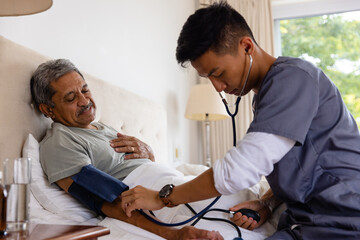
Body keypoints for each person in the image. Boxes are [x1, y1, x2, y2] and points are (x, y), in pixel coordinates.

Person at [120, 2, 360, 239]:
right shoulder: (268, 96)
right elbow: (299, 173)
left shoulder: (293, 79)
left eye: (218, 73)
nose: (218, 87)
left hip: (345, 222)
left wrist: (164, 197)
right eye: (208, 78)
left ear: (246, 46)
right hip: (308, 223)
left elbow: (238, 170)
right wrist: (266, 203)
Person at [30, 58, 223, 240]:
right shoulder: (60, 142)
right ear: (48, 109)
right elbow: (106, 200)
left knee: (243, 198)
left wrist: (151, 155)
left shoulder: (103, 128)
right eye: (71, 98)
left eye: (85, 90)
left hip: (174, 186)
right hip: (160, 203)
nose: (84, 101)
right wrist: (174, 234)